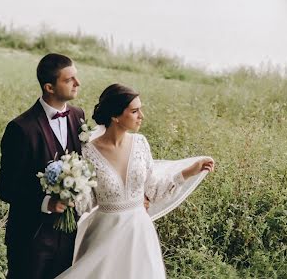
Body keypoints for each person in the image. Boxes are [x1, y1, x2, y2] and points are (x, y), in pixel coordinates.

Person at [55, 84, 215, 279]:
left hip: (139, 234)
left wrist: (188, 172)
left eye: (140, 109)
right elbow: (89, 200)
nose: (142, 116)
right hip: (105, 235)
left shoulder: (140, 143)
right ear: (115, 116)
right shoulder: (88, 151)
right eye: (134, 111)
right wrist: (69, 196)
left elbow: (153, 190)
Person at [0, 53, 85, 279]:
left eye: (76, 77)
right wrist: (47, 202)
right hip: (30, 235)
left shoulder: (78, 116)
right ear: (49, 87)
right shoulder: (21, 128)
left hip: (69, 234)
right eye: (69, 80)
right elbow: (5, 188)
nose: (77, 83)